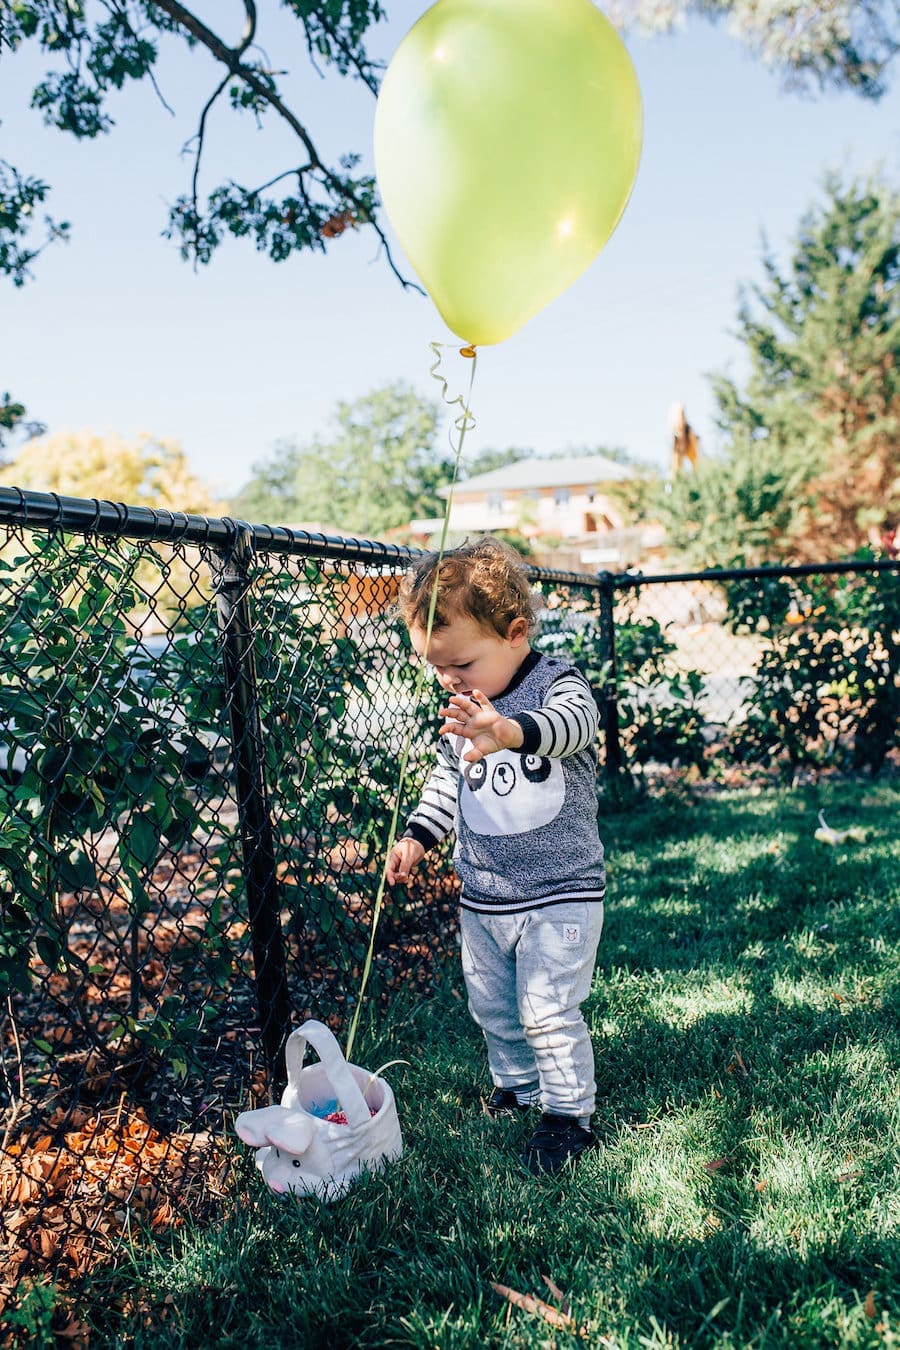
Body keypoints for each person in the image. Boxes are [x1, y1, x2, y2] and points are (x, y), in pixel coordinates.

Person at [387, 537, 606, 1174]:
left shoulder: (554, 683)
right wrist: (417, 837)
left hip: (560, 889)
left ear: (514, 633)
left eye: (461, 663)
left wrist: (508, 731)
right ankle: (519, 1089)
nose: (448, 680)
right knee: (495, 1006)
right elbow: (447, 781)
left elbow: (576, 725)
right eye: (436, 668)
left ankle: (568, 1114)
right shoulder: (460, 706)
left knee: (546, 1006)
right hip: (485, 894)